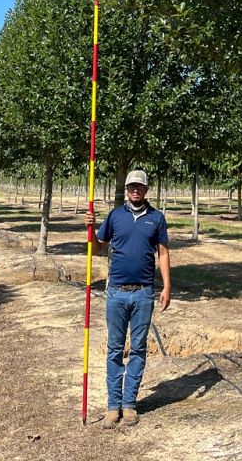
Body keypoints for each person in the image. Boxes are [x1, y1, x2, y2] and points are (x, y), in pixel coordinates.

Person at [85, 169, 171, 429]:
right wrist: (89, 229)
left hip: (144, 293)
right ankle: (113, 406)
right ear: (127, 189)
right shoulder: (115, 216)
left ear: (146, 190)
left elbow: (163, 254)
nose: (135, 190)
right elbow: (97, 248)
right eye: (131, 186)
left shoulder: (156, 218)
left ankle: (129, 404)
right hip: (117, 293)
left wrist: (167, 286)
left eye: (139, 187)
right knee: (114, 349)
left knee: (138, 349)